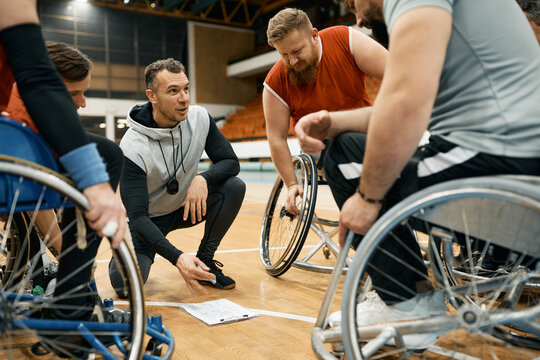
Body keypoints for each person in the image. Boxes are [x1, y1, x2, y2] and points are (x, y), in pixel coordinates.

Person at [295, 0, 540, 349]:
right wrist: (332, 121)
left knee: (346, 156)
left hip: (500, 159)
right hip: (512, 157)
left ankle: (408, 304)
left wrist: (367, 199)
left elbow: (406, 103)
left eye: (353, 3)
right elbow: (414, 107)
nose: (359, 18)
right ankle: (411, 298)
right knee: (349, 143)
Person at [109, 58, 245, 297]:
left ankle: (205, 260)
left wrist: (202, 179)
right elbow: (138, 217)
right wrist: (178, 258)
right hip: (147, 222)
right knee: (125, 286)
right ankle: (127, 252)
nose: (184, 98)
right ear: (152, 96)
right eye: (173, 91)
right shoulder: (132, 146)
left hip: (185, 208)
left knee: (233, 187)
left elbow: (230, 162)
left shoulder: (199, 118)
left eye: (186, 89)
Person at [3, 41, 124, 259]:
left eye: (84, 92)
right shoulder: (26, 120)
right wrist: (70, 258)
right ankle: (79, 266)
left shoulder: (21, 96)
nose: (83, 103)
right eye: (74, 93)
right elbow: (37, 207)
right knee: (109, 153)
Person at [263, 8, 386, 216]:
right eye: (284, 55)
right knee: (342, 144)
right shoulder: (275, 83)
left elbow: (394, 71)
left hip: (367, 136)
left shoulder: (344, 39)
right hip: (322, 153)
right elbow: (276, 138)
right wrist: (292, 183)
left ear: (314, 36)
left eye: (296, 52)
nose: (291, 61)